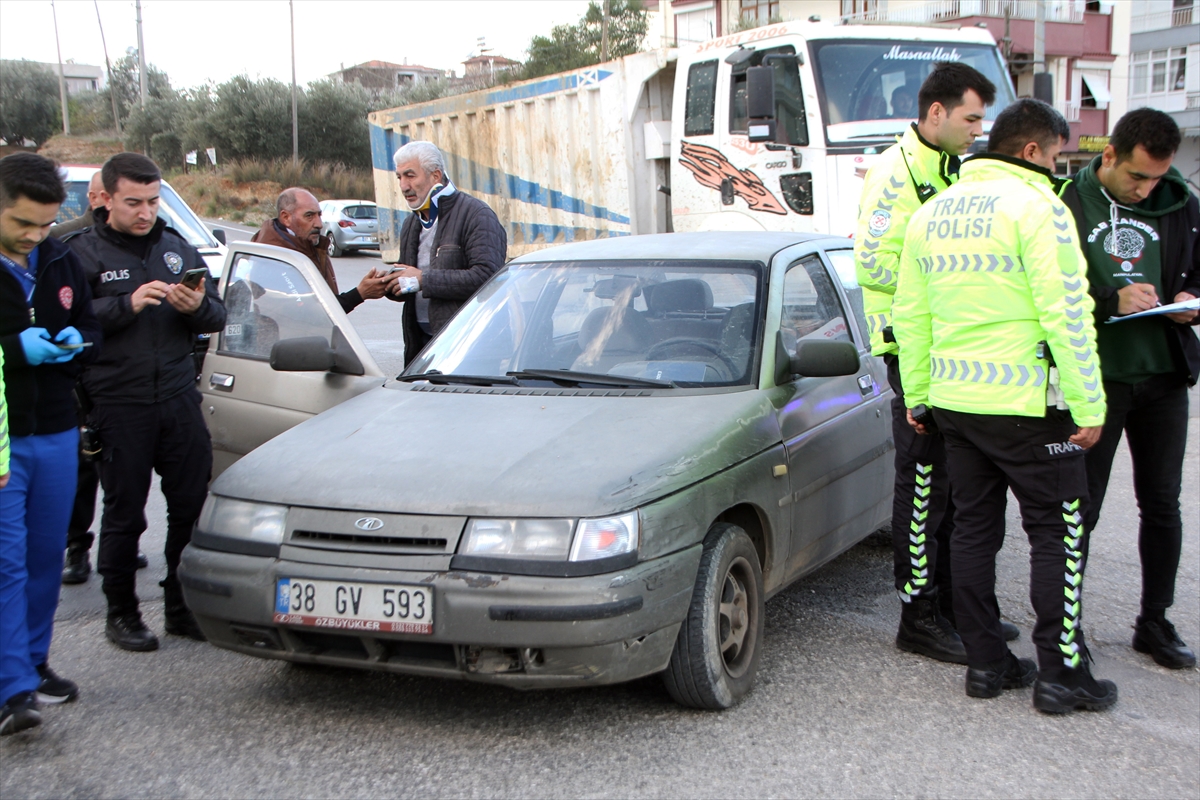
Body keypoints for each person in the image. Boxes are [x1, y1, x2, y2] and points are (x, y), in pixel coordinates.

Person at [893, 99, 1118, 713]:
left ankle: (988, 665)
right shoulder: (1040, 206)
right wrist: (1088, 402)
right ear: (1031, 152)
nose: (1057, 168)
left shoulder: (932, 213)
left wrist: (918, 397)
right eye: (1055, 156)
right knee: (1058, 531)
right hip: (1027, 405)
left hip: (956, 402)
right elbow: (1067, 311)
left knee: (970, 531)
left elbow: (910, 317)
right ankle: (1061, 674)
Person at [854, 61, 1012, 664]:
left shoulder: (950, 168)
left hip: (950, 353)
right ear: (937, 113)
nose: (977, 129)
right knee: (923, 488)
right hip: (912, 352)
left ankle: (952, 606)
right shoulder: (896, 176)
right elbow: (875, 267)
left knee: (952, 487)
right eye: (971, 118)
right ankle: (917, 616)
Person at [1060, 108, 1200, 670]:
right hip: (1097, 381)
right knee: (1081, 509)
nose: (1146, 190)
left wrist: (1187, 299)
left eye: (1156, 179)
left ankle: (1155, 621)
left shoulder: (1183, 203)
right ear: (1109, 155)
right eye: (1137, 177)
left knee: (1162, 504)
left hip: (1163, 377)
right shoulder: (1066, 201)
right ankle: (1070, 627)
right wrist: (1106, 300)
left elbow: (1197, 271)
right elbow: (1045, 286)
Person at [69, 152, 226, 652]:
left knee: (189, 507)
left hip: (178, 397)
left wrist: (197, 306)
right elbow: (64, 328)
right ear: (106, 198)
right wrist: (123, 305)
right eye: (133, 202)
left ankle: (179, 607)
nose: (145, 212)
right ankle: (122, 613)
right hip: (118, 403)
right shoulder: (80, 254)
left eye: (153, 201)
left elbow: (218, 316)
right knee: (125, 513)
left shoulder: (175, 247)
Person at [0, 153, 101, 735]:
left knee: (43, 560)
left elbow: (90, 325)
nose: (35, 235)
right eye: (22, 224)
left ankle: (33, 664)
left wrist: (74, 340)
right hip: (5, 439)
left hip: (59, 428)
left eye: (44, 222)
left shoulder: (61, 256)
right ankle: (11, 689)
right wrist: (17, 348)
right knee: (6, 565)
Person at [53, 170, 148, 584]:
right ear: (101, 197)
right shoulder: (68, 242)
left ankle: (123, 544)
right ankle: (77, 546)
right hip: (87, 377)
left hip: (131, 381)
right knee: (84, 469)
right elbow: (71, 315)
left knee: (122, 478)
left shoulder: (147, 242)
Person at [386, 141, 507, 366]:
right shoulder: (412, 223)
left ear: (435, 176)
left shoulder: (476, 214)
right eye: (399, 177)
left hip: (470, 347)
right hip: (423, 345)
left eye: (410, 175)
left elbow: (489, 278)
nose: (403, 186)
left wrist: (424, 279)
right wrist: (390, 284)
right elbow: (412, 282)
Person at [251, 188, 395, 313]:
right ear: (286, 217)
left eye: (319, 215)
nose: (319, 224)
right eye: (309, 216)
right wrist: (360, 294)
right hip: (294, 342)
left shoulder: (307, 244)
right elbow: (307, 313)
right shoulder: (274, 257)